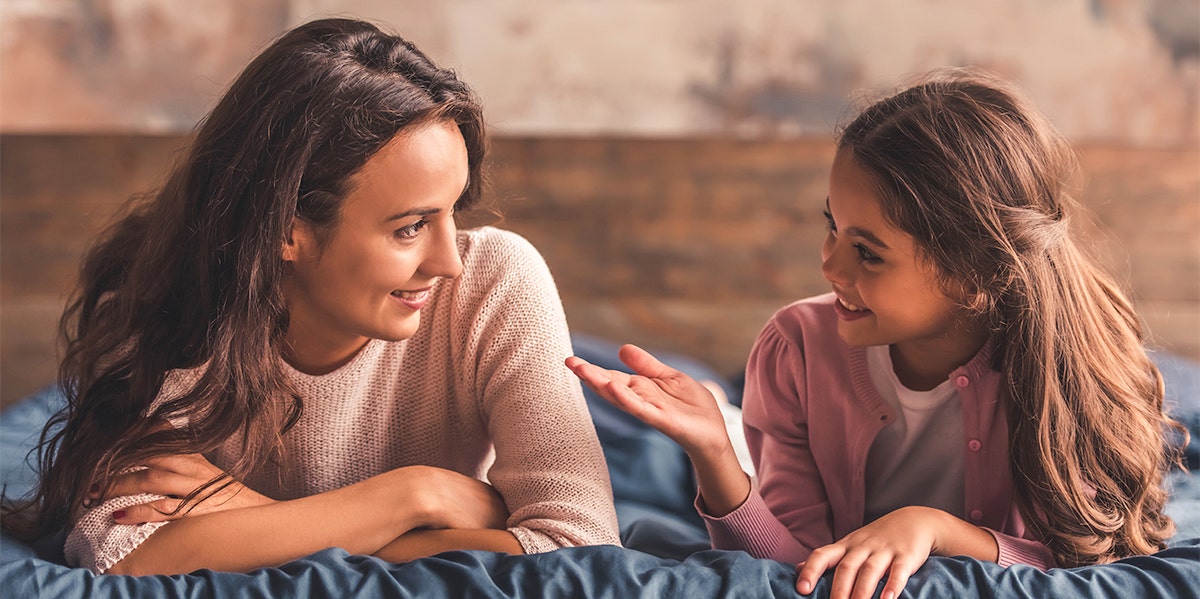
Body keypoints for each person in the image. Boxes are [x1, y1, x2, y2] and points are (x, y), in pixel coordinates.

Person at [2, 17, 620, 575]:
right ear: (285, 231)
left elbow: (583, 549)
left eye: (451, 212)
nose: (449, 262)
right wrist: (412, 496)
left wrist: (255, 512)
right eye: (409, 228)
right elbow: (121, 552)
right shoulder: (174, 304)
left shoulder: (496, 280)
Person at [567, 68, 1184, 599]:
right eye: (832, 226)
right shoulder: (796, 349)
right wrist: (714, 456)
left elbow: (1084, 563)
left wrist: (937, 530)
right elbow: (789, 568)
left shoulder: (1063, 373)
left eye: (868, 252)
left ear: (975, 277)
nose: (830, 265)